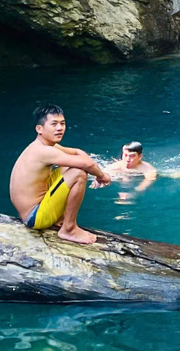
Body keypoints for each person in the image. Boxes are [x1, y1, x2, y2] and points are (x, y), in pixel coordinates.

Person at [9, 104, 111, 245]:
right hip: (35, 216)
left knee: (71, 164)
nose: (59, 128)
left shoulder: (46, 146)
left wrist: (92, 166)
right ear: (39, 129)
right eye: (54, 124)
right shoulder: (43, 151)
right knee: (78, 173)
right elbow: (87, 165)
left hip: (36, 208)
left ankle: (60, 220)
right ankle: (68, 228)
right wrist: (102, 176)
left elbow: (77, 152)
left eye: (62, 123)